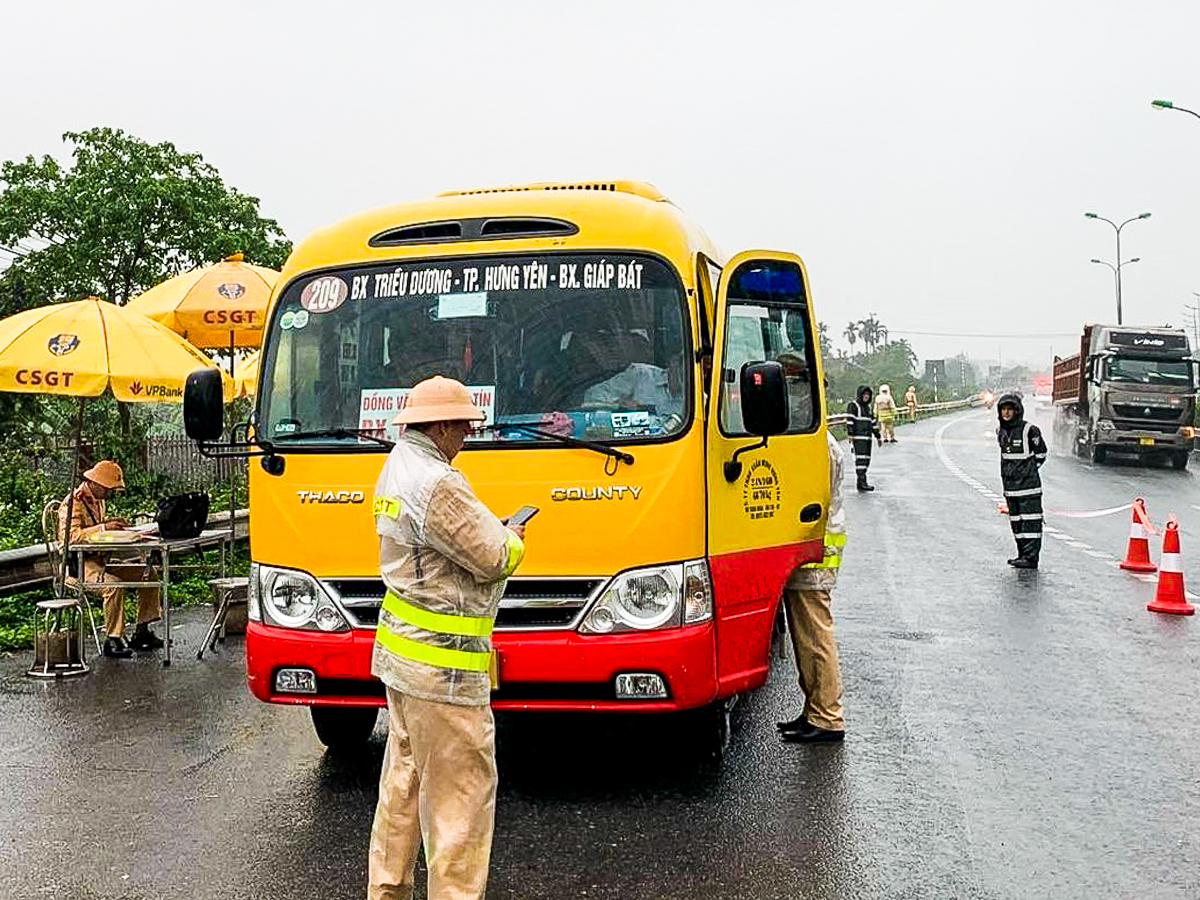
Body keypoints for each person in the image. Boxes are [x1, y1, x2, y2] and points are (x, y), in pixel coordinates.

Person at [367, 375, 527, 900]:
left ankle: (386, 892)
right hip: (445, 674)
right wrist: (512, 538)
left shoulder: (396, 466)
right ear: (438, 425)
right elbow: (492, 556)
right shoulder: (439, 481)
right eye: (462, 425)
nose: (467, 434)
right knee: (460, 807)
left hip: (403, 664)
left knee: (402, 791)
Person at [778, 430, 847, 743]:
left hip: (814, 552)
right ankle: (814, 710)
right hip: (805, 549)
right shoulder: (817, 439)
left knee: (815, 636)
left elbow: (810, 495)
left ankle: (827, 717)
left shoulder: (820, 443)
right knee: (804, 638)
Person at [58, 460, 162, 658]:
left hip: (100, 560)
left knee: (148, 574)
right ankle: (113, 638)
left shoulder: (98, 501)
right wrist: (104, 528)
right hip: (77, 565)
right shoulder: (72, 503)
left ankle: (142, 630)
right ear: (96, 483)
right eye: (107, 489)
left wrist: (110, 523)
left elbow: (93, 529)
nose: (109, 494)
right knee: (113, 585)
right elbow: (71, 537)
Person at [996, 393, 1046, 569]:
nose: (1007, 413)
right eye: (1003, 409)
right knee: (1016, 523)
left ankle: (1031, 558)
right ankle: (1022, 555)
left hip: (1029, 489)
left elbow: (1041, 454)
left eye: (1010, 409)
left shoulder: (1030, 430)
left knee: (1031, 523)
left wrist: (1027, 472)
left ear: (1017, 411)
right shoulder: (1000, 431)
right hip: (1010, 490)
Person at [846, 385, 882, 491]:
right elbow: (850, 420)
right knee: (860, 460)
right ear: (860, 395)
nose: (866, 396)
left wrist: (878, 436)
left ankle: (863, 481)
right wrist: (850, 434)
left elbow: (873, 423)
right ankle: (861, 482)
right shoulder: (853, 405)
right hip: (859, 438)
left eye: (868, 395)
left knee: (866, 460)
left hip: (867, 439)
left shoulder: (867, 408)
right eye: (864, 394)